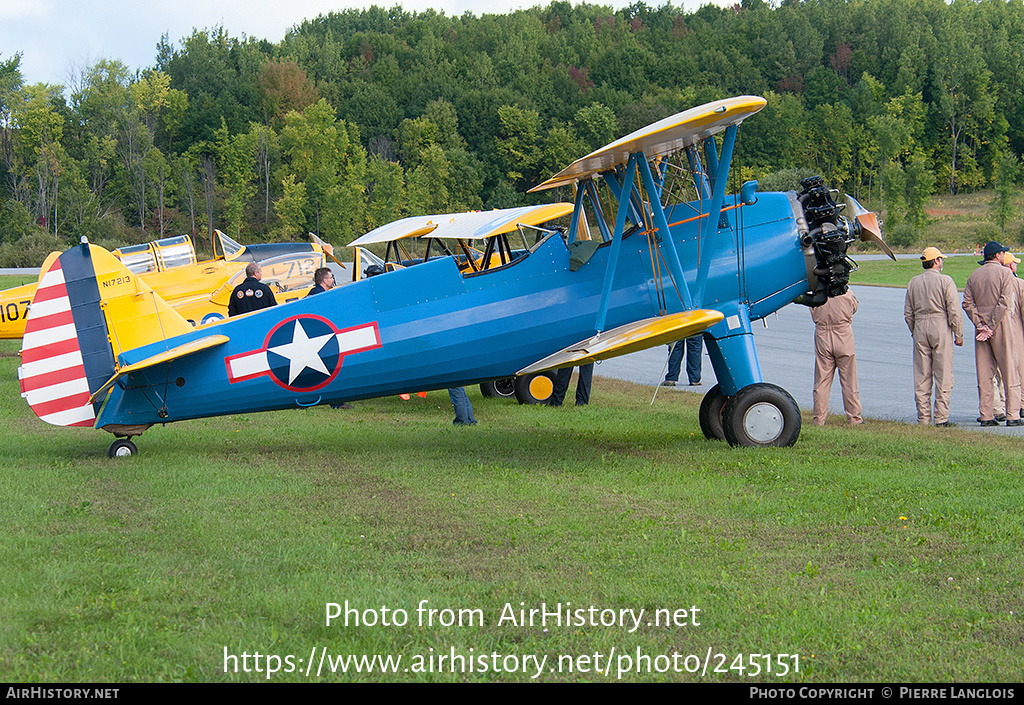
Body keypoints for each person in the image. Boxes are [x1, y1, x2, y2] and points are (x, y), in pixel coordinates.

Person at [962, 241, 1021, 426]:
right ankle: (1012, 415)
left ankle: (986, 415)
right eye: (1003, 253)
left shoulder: (974, 275)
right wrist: (991, 326)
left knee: (985, 373)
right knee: (1009, 371)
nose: (1004, 255)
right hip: (1001, 325)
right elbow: (1005, 302)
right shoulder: (1005, 273)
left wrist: (980, 324)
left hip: (981, 329)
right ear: (997, 256)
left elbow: (967, 303)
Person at [904, 247, 964, 427]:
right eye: (940, 259)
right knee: (943, 373)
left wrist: (915, 330)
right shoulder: (946, 281)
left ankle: (923, 418)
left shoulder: (913, 282)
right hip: (940, 325)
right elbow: (954, 310)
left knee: (922, 375)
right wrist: (958, 333)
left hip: (920, 326)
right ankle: (941, 418)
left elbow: (908, 312)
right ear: (936, 261)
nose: (942, 262)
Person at [811, 289, 863, 425]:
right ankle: (854, 417)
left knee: (822, 380)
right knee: (849, 380)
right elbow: (854, 307)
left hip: (822, 333)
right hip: (843, 333)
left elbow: (812, 309)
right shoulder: (846, 293)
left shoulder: (817, 295)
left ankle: (819, 418)